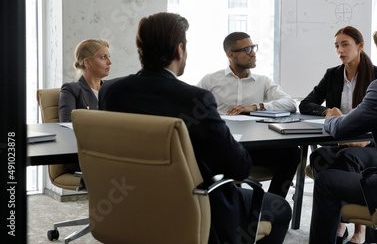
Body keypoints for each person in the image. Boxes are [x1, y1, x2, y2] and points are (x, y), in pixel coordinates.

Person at [99, 13, 291, 244]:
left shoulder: (111, 92)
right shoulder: (194, 99)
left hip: (130, 202)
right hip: (191, 204)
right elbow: (240, 169)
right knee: (281, 209)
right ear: (180, 50)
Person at [300, 26, 377, 243]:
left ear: (360, 46)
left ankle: (359, 230)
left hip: (370, 145)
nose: (340, 50)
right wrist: (327, 111)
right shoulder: (333, 74)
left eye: (345, 44)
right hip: (340, 139)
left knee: (348, 158)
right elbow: (306, 103)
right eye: (337, 46)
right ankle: (338, 222)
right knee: (319, 157)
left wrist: (364, 138)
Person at [197, 32, 301, 197]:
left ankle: (272, 205)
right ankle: (229, 204)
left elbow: (290, 104)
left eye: (253, 47)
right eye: (246, 49)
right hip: (225, 146)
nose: (253, 53)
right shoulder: (211, 80)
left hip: (255, 148)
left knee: (293, 152)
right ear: (230, 55)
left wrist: (256, 107)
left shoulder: (263, 81)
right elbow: (194, 110)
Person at [58, 38, 112, 122]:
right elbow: (67, 124)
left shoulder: (112, 88)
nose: (109, 62)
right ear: (87, 62)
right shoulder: (71, 90)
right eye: (103, 57)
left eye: (108, 57)